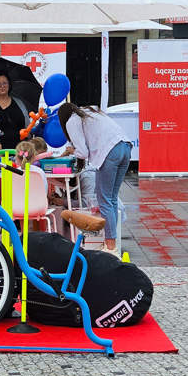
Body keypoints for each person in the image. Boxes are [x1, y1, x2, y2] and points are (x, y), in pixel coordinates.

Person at [57, 102, 131, 259]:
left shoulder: (72, 121)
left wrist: (72, 150)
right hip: (125, 147)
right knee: (111, 199)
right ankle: (111, 243)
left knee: (104, 200)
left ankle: (111, 247)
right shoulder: (91, 112)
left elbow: (82, 153)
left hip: (110, 152)